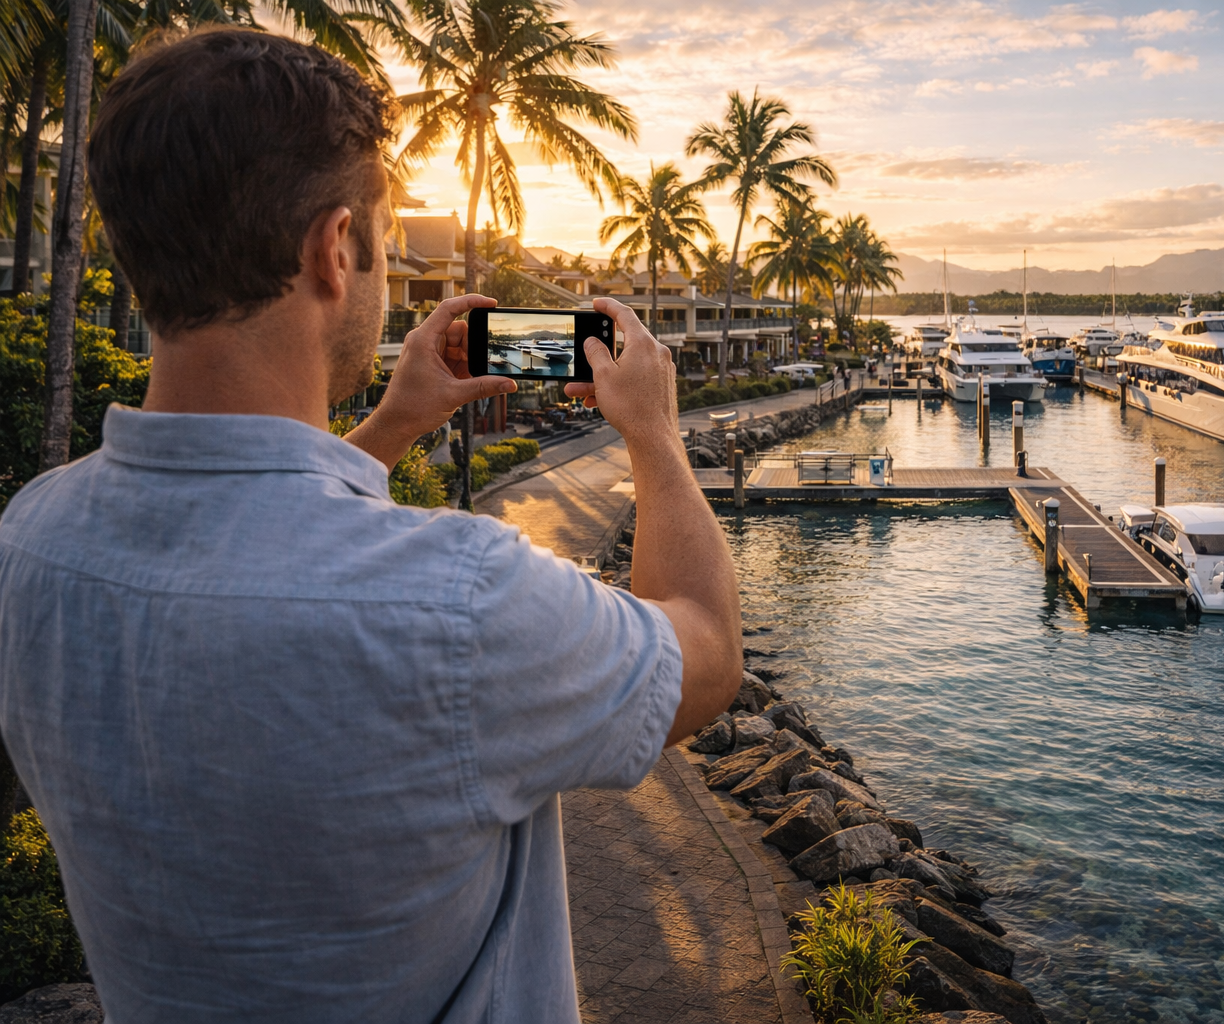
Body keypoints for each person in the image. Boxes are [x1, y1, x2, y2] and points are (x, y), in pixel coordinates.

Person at [0, 30, 740, 1023]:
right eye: (385, 245)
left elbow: (260, 541)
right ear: (333, 249)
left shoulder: (31, 544)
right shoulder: (462, 599)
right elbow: (704, 649)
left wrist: (392, 425)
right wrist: (653, 432)